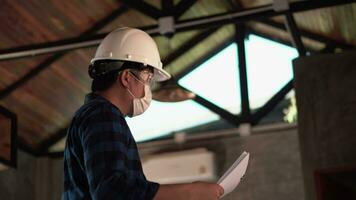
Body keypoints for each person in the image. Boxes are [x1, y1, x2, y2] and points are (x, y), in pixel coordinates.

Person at [62, 27, 224, 200]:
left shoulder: (94, 115)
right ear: (126, 78)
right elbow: (112, 192)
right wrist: (189, 193)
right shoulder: (104, 114)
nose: (148, 89)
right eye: (147, 79)